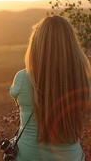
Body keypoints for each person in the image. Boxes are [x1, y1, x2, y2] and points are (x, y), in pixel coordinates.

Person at [10, 15, 91, 161]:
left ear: (37, 44)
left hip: (27, 156)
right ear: (72, 45)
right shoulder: (85, 81)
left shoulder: (22, 78)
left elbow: (17, 101)